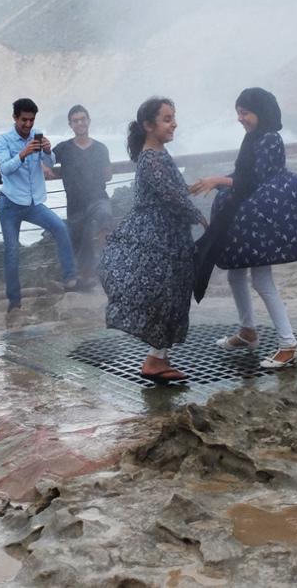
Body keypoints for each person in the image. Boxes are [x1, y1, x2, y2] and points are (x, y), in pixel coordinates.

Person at [191, 88, 297, 369]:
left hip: (262, 218)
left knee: (262, 280)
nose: (241, 119)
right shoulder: (253, 136)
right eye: (238, 113)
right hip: (245, 217)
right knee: (235, 275)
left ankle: (289, 344)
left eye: (245, 113)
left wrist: (219, 180)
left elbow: (257, 179)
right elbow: (243, 174)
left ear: (261, 113)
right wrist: (216, 180)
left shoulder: (270, 139)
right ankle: (248, 331)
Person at [99, 97, 207, 383]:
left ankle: (159, 358)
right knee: (166, 297)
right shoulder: (152, 158)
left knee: (170, 296)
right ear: (149, 125)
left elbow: (170, 190)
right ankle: (154, 361)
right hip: (160, 240)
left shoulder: (155, 155)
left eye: (173, 117)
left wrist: (187, 189)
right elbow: (171, 197)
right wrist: (199, 216)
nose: (174, 124)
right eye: (167, 119)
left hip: (163, 236)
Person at [0, 98, 77, 312]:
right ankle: (14, 302)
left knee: (60, 228)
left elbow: (49, 164)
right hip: (10, 204)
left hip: (34, 202)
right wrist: (23, 154)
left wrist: (48, 152)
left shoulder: (37, 135)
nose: (28, 125)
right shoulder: (3, 140)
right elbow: (5, 169)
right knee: (12, 251)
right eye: (24, 120)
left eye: (32, 120)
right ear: (15, 118)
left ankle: (70, 279)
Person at [49, 105, 114, 289]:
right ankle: (88, 278)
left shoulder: (101, 148)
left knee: (104, 218)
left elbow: (108, 175)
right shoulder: (64, 148)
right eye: (75, 120)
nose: (80, 123)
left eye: (82, 119)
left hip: (98, 198)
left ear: (89, 121)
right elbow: (46, 159)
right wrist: (45, 167)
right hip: (76, 204)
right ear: (70, 124)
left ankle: (109, 265)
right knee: (82, 240)